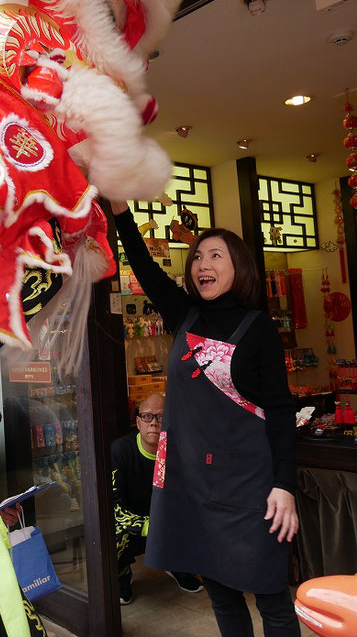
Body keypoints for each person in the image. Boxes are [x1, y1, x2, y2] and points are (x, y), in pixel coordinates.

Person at [112, 201, 300, 637]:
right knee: (221, 594)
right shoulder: (185, 314)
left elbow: (280, 411)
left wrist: (284, 485)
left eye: (216, 255)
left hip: (251, 485)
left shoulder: (259, 328)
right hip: (192, 482)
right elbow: (142, 265)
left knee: (270, 594)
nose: (203, 264)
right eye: (197, 256)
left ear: (240, 267)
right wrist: (121, 211)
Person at [111, 392, 202, 605]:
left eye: (160, 417)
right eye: (147, 416)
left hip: (167, 521)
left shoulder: (180, 450)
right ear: (137, 421)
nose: (153, 423)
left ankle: (178, 565)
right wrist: (146, 526)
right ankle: (121, 572)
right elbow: (112, 503)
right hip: (133, 523)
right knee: (111, 528)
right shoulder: (120, 451)